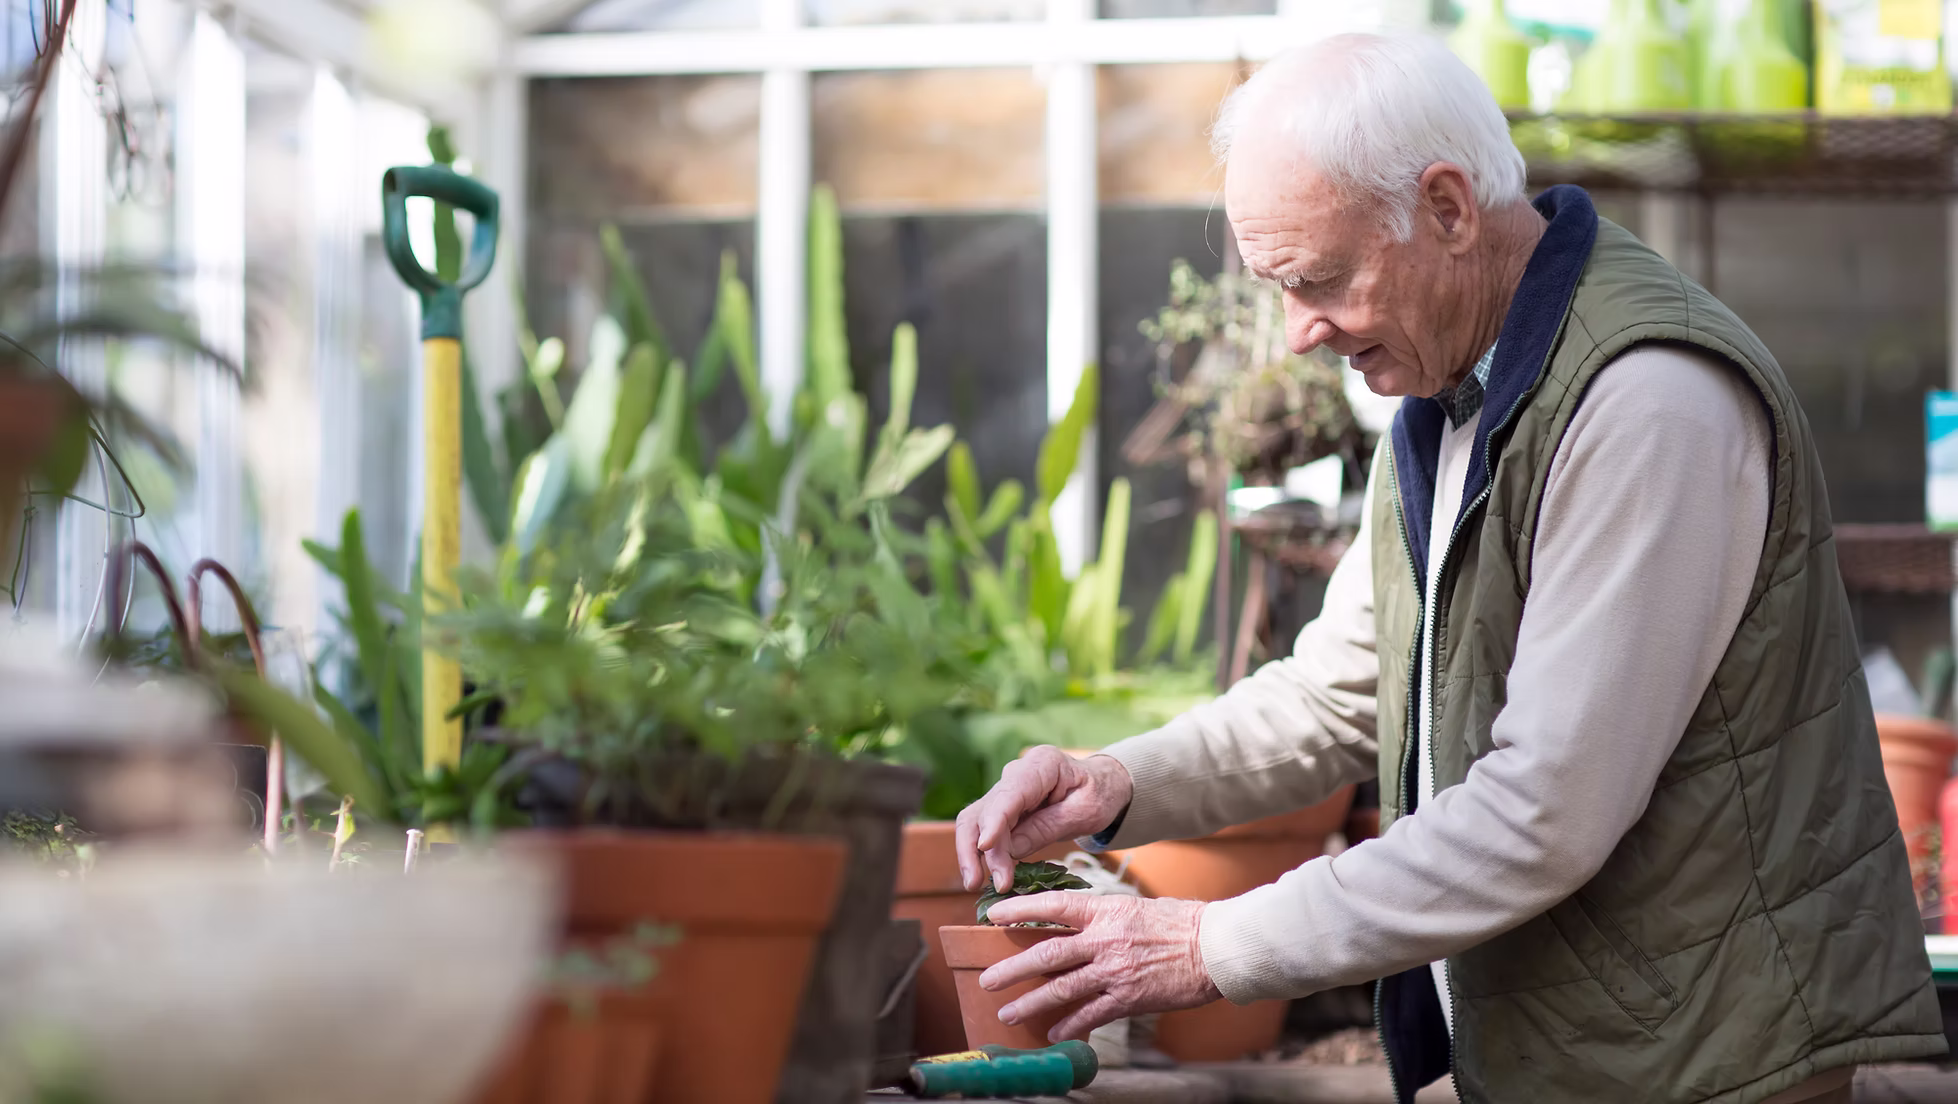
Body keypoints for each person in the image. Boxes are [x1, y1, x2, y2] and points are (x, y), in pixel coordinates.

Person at [953, 30, 1945, 1104]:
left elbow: (1545, 808)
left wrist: (1210, 945)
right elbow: (1339, 690)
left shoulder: (1645, 399)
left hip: (1706, 1064)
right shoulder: (1447, 399)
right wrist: (1116, 784)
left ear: (1447, 209)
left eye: (1319, 279)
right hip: (1590, 1051)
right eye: (1276, 287)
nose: (1296, 334)